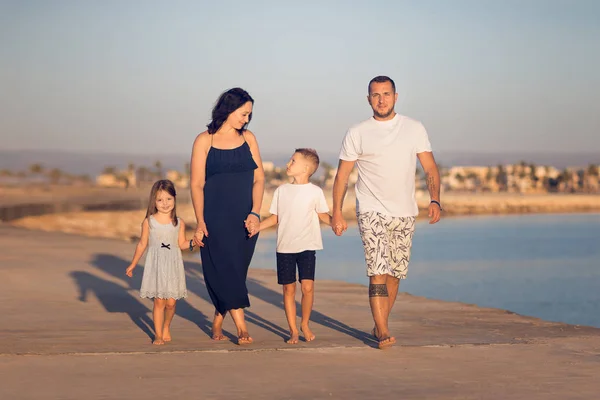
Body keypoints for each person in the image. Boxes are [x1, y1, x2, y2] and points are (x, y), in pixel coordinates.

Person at [331, 75, 442, 350]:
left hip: (404, 211)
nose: (381, 99)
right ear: (368, 98)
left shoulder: (414, 128)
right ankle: (381, 329)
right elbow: (342, 176)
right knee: (378, 269)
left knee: (395, 272)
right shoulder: (357, 132)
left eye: (386, 94)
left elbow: (429, 168)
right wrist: (336, 211)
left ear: (396, 96)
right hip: (371, 209)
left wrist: (435, 199)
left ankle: (380, 320)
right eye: (375, 94)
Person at [190, 87, 265, 345]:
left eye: (249, 115)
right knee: (225, 268)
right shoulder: (204, 140)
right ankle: (242, 327)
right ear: (229, 109)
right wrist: (200, 221)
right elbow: (197, 184)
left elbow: (259, 179)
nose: (246, 119)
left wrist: (255, 212)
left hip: (245, 218)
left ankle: (218, 317)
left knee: (235, 271)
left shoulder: (249, 139)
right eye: (243, 114)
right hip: (216, 217)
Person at [251, 148, 331, 344]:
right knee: (288, 290)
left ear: (305, 168)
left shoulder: (315, 192)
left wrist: (337, 223)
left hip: (307, 245)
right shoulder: (281, 191)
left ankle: (305, 323)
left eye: (293, 161)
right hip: (285, 247)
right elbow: (275, 218)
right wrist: (258, 227)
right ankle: (293, 330)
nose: (288, 164)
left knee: (308, 288)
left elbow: (323, 215)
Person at [126, 179, 190, 345]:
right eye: (160, 200)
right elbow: (142, 244)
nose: (165, 203)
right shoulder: (149, 222)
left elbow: (182, 244)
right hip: (156, 266)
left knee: (171, 303)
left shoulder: (179, 222)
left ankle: (166, 325)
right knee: (159, 301)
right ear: (154, 201)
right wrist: (133, 264)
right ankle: (158, 334)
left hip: (173, 266)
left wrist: (194, 243)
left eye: (169, 199)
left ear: (174, 199)